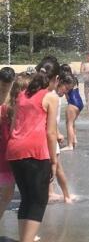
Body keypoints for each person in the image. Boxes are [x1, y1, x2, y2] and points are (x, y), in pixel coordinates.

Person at [7, 56, 61, 242]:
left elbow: (14, 123)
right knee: (38, 201)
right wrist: (54, 161)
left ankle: (25, 238)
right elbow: (51, 133)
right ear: (56, 79)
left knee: (27, 198)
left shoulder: (22, 94)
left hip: (14, 150)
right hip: (35, 152)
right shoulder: (51, 97)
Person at [49, 70, 75, 204]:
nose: (65, 93)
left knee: (52, 166)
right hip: (50, 136)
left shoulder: (54, 96)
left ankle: (51, 192)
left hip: (51, 134)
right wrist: (57, 133)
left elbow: (53, 119)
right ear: (59, 81)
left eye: (68, 91)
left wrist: (57, 130)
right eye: (66, 89)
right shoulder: (52, 97)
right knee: (57, 167)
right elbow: (51, 118)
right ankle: (66, 195)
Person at [0, 67, 16, 219]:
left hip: (10, 149)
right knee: (7, 192)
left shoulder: (14, 98)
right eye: (2, 84)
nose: (5, 87)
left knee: (8, 193)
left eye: (8, 84)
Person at [60, 68, 84, 151]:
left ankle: (69, 145)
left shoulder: (65, 81)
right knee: (72, 122)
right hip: (79, 102)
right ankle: (74, 139)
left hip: (73, 103)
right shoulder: (74, 79)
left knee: (69, 124)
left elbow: (63, 94)